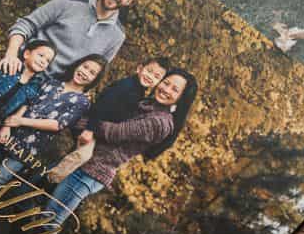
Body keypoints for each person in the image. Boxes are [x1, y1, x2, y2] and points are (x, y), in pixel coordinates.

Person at [48, 68, 197, 226]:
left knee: (49, 219)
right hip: (81, 159)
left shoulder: (160, 122)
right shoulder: (146, 104)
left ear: (181, 98)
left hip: (92, 171)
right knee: (40, 203)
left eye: (175, 89)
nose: (166, 89)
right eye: (166, 83)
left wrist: (82, 121)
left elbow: (115, 132)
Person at [0, 54, 105, 204]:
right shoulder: (52, 82)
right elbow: (27, 103)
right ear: (77, 64)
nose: (85, 72)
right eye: (85, 66)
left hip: (28, 149)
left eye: (92, 72)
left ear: (95, 80)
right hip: (10, 134)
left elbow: (57, 124)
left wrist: (21, 121)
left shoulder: (82, 102)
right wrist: (7, 126)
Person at [44, 56, 171, 184]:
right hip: (91, 124)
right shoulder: (126, 86)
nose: (150, 77)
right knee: (83, 155)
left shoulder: (139, 92)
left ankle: (48, 177)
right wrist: (89, 130)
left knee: (75, 154)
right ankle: (50, 178)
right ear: (139, 68)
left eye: (156, 76)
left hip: (98, 128)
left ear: (158, 82)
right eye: (149, 71)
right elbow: (101, 105)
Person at [1, 0, 142, 77]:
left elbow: (96, 70)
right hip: (21, 69)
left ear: (130, 1)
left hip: (52, 91)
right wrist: (11, 55)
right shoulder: (67, 2)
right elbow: (25, 25)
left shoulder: (117, 36)